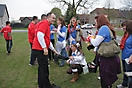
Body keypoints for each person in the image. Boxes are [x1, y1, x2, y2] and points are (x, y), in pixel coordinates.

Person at [88, 14, 121, 88]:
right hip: (110, 58)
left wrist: (90, 38)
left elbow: (96, 43)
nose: (95, 23)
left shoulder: (103, 28)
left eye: (96, 21)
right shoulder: (108, 28)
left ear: (100, 21)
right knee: (108, 81)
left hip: (107, 59)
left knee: (105, 82)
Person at [32, 12, 60, 88]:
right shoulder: (45, 24)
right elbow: (39, 35)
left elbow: (46, 40)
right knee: (44, 69)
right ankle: (47, 86)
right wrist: (44, 48)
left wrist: (53, 50)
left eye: (55, 18)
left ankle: (41, 85)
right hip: (40, 49)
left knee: (41, 68)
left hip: (38, 49)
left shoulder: (46, 25)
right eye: (53, 18)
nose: (54, 20)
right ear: (48, 17)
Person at [117, 20, 132, 88]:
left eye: (124, 26)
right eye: (122, 26)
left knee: (129, 73)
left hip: (130, 58)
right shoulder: (125, 35)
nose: (123, 27)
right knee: (125, 71)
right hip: (124, 56)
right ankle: (124, 83)